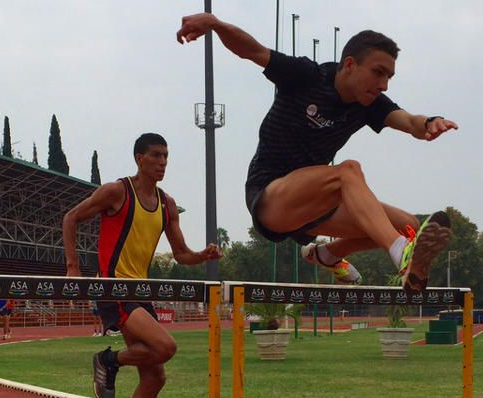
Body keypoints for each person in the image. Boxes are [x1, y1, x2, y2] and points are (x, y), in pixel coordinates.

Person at [177, 14, 457, 292]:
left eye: (389, 76)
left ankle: (327, 254)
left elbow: (409, 122)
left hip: (315, 206)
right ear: (349, 64)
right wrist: (214, 24)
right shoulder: (307, 76)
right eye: (378, 72)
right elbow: (253, 50)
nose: (383, 84)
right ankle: (400, 254)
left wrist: (430, 122)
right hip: (271, 196)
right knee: (348, 172)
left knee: (407, 225)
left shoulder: (370, 104)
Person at [62, 132, 222, 398]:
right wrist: (73, 267)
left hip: (141, 291)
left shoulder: (167, 204)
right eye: (156, 155)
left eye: (166, 156)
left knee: (155, 377)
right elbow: (71, 218)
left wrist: (203, 255)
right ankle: (108, 359)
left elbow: (181, 255)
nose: (162, 162)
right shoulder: (116, 192)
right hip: (114, 288)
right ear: (139, 158)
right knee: (166, 346)